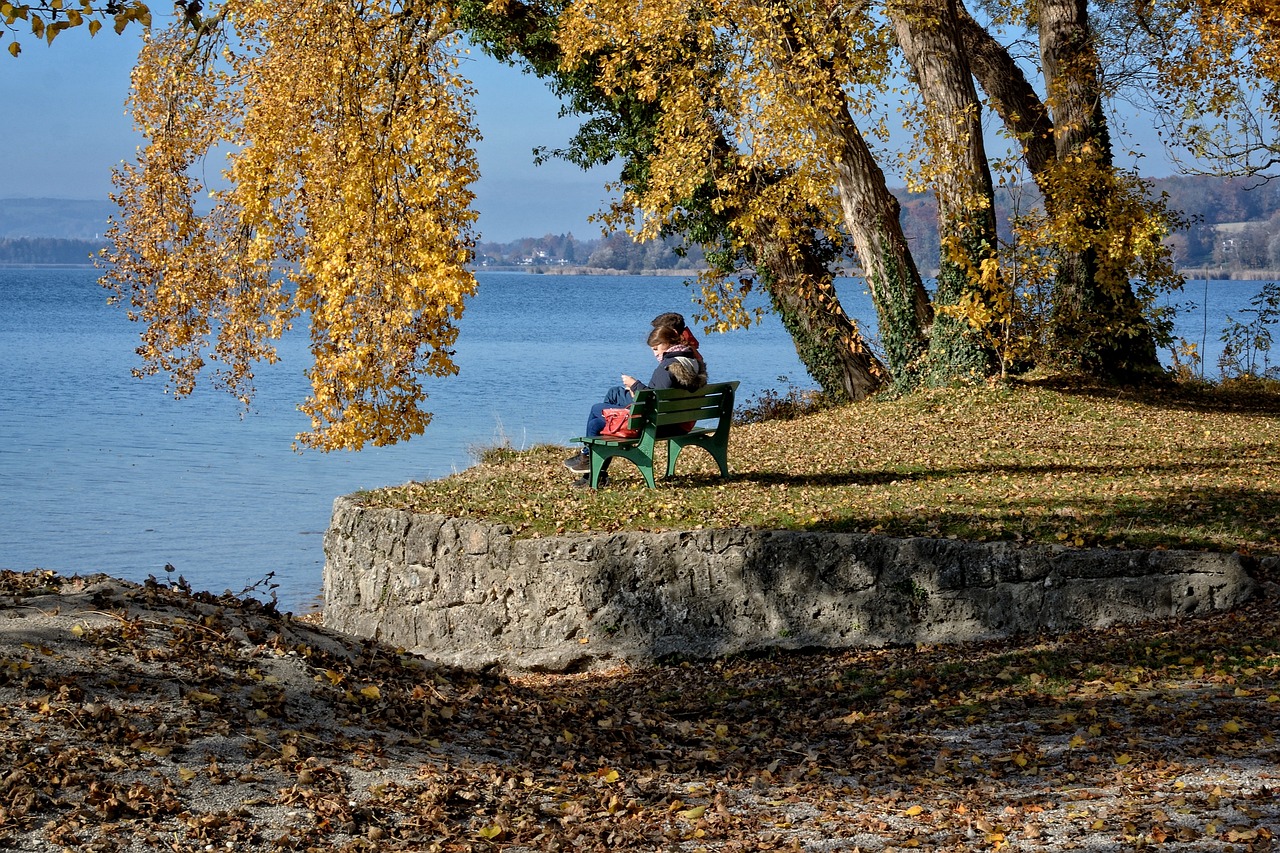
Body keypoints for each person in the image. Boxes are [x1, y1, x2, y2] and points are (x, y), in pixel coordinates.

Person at [566, 324, 709, 488]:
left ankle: (589, 461)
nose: (655, 354)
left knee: (596, 409)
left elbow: (653, 403)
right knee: (596, 423)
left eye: (656, 348)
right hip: (679, 423)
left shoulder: (667, 367)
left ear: (669, 342)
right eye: (653, 350)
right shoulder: (693, 361)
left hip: (657, 425)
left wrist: (635, 385)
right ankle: (595, 470)